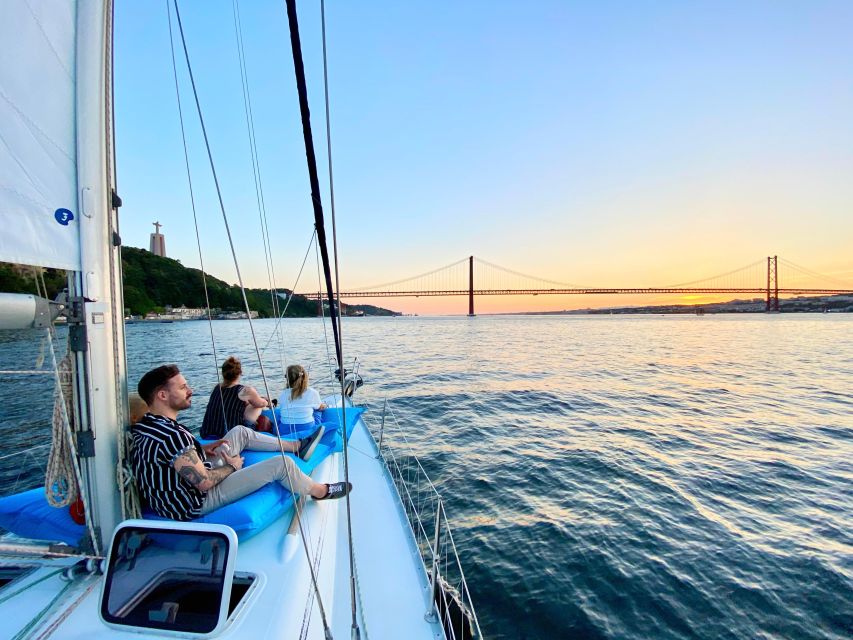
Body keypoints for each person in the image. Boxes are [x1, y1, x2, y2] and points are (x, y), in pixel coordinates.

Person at [130, 364, 351, 522]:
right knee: (280, 465)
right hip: (194, 502)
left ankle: (296, 446)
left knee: (239, 432)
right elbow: (204, 483)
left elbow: (171, 456)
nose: (190, 391)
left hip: (180, 488)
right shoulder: (170, 435)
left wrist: (200, 448)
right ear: (162, 395)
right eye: (182, 387)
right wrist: (232, 466)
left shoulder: (147, 424)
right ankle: (320, 491)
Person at [200, 356, 269, 439]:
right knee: (257, 407)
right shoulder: (245, 391)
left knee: (248, 405)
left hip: (206, 434)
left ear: (223, 373)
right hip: (230, 436)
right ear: (240, 373)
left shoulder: (217, 387)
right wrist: (266, 401)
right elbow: (261, 403)